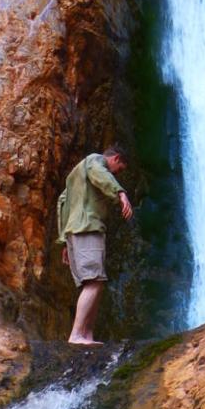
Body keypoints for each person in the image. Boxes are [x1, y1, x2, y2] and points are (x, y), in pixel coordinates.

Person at [57, 145, 134, 345]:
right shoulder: (95, 161)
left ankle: (87, 335)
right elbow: (100, 174)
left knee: (94, 282)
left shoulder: (76, 175)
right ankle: (76, 335)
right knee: (94, 281)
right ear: (116, 158)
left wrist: (65, 240)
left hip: (75, 230)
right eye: (120, 169)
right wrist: (120, 193)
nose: (118, 174)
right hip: (87, 227)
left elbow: (62, 202)